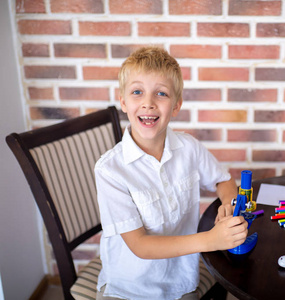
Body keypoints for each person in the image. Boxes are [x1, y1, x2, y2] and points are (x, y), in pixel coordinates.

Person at [94, 46, 248, 300]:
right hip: (129, 289)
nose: (148, 103)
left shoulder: (189, 148)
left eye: (161, 94)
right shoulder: (110, 170)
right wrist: (211, 240)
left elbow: (223, 179)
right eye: (137, 92)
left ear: (176, 106)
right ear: (123, 101)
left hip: (181, 281)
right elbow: (140, 245)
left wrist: (229, 205)